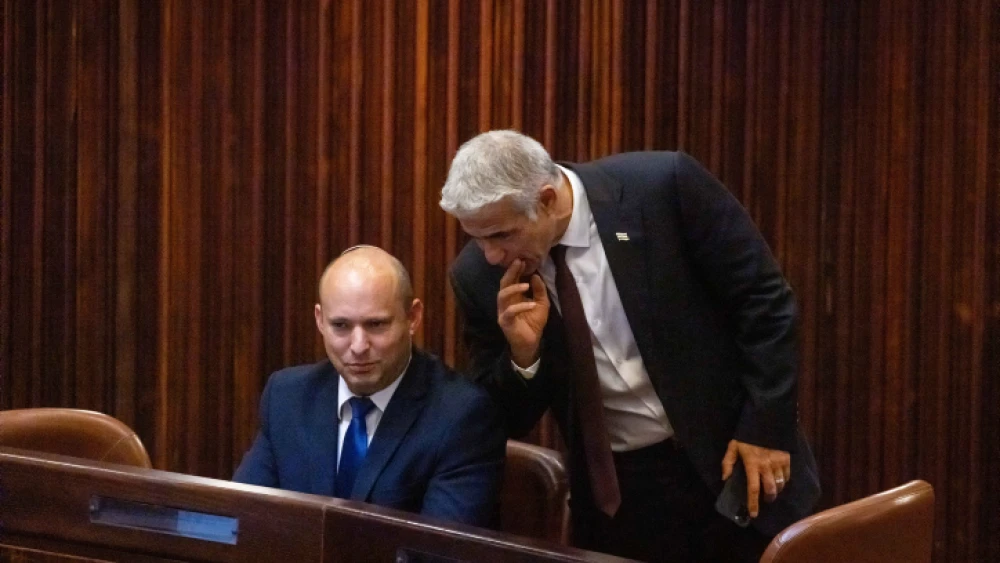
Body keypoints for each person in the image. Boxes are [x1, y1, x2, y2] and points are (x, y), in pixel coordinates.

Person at [441, 130, 820, 561]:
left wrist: (765, 429)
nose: (491, 255)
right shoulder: (478, 277)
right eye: (477, 238)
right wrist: (524, 357)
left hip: (734, 456)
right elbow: (507, 417)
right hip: (621, 497)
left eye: (501, 235)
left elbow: (765, 302)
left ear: (546, 199)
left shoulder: (661, 188)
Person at [234, 245, 506, 528]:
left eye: (376, 325)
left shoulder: (462, 415)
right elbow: (242, 522)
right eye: (341, 326)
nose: (358, 346)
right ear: (320, 321)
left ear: (412, 317)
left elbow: (437, 548)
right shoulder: (287, 397)